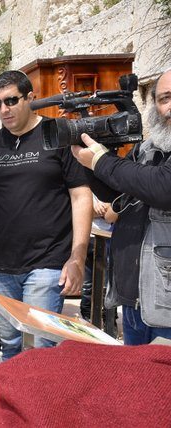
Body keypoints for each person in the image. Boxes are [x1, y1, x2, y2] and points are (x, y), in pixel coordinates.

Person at [0, 70, 92, 360]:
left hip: (47, 263)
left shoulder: (58, 134)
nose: (4, 109)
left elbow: (80, 196)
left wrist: (77, 258)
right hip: (1, 267)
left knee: (40, 348)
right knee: (9, 347)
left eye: (11, 101)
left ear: (31, 98)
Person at [71, 69, 171, 344]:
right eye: (164, 98)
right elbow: (117, 194)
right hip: (134, 298)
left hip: (166, 303)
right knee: (133, 373)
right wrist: (91, 161)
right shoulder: (147, 149)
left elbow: (162, 188)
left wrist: (102, 161)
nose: (170, 106)